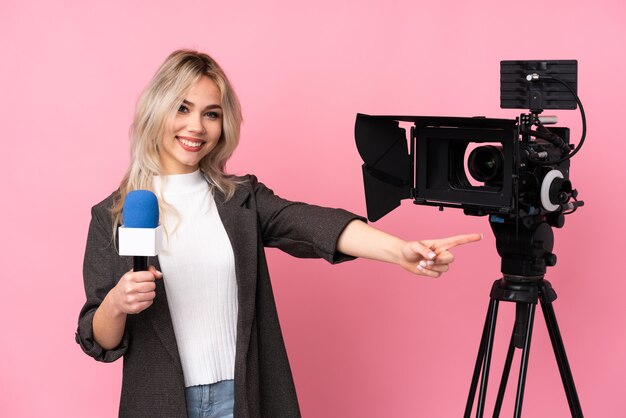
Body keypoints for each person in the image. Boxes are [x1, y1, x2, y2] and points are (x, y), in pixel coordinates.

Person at [76, 49, 482, 418]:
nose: (196, 127)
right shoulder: (114, 216)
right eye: (182, 108)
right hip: (160, 403)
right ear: (157, 110)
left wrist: (400, 251)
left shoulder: (241, 199)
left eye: (211, 113)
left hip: (243, 398)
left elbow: (309, 223)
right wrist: (116, 303)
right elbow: (100, 340)